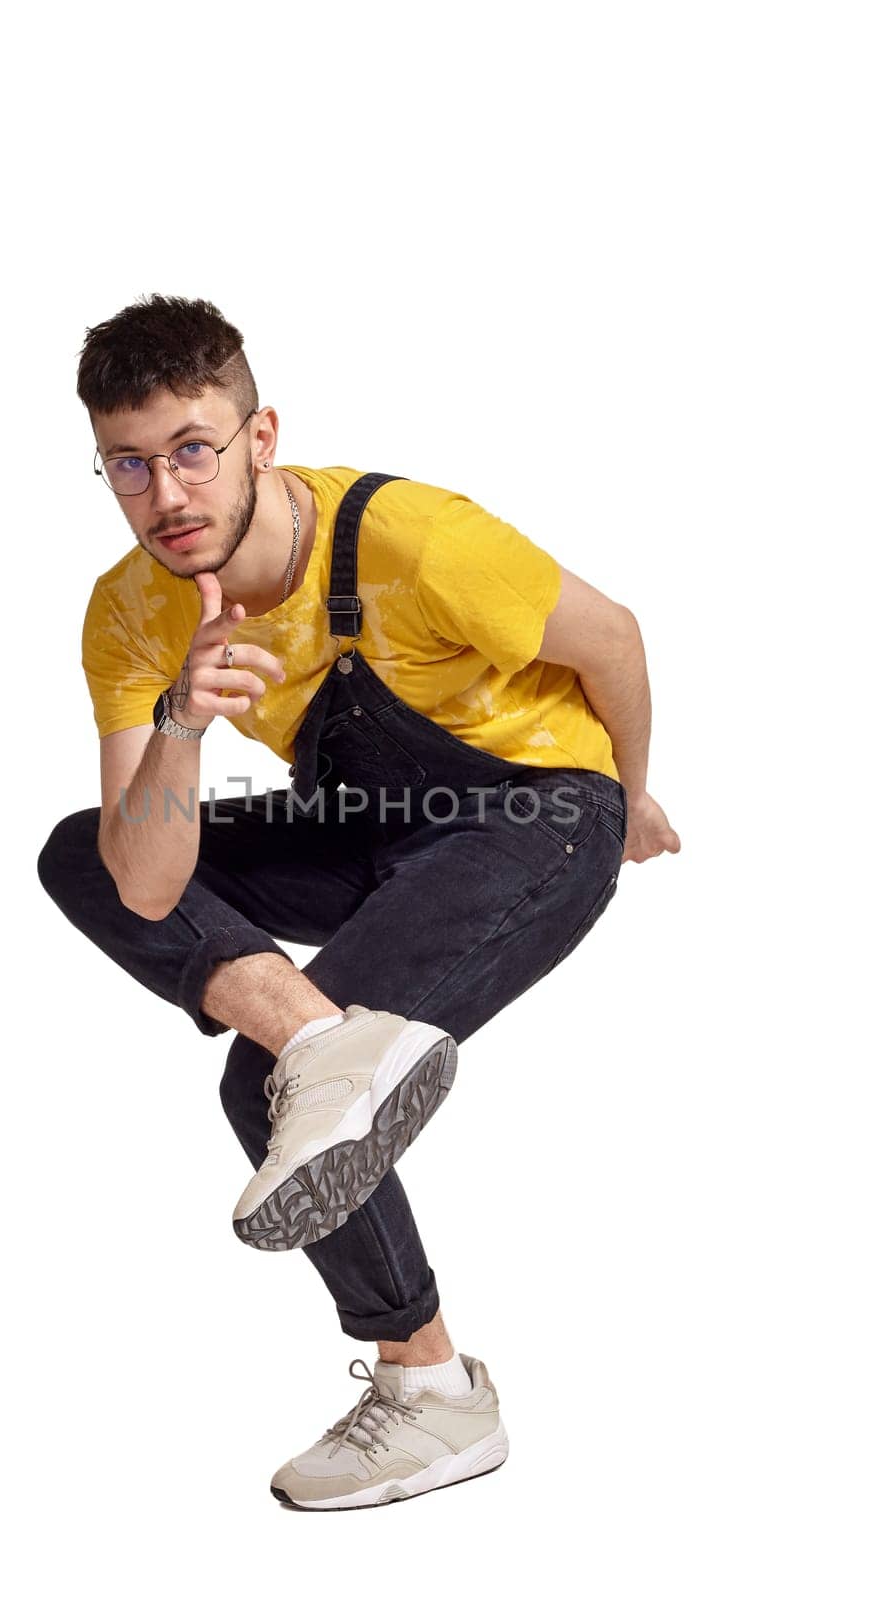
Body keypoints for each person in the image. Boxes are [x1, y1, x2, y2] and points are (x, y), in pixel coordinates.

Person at [36, 293, 681, 1511]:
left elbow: (614, 640)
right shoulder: (126, 612)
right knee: (85, 848)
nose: (166, 494)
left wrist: (633, 798)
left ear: (258, 435)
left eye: (191, 449)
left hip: (536, 810)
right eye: (129, 464)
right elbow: (146, 881)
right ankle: (328, 1049)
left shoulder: (414, 540)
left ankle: (424, 1388)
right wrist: (179, 721)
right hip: (371, 830)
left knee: (260, 1086)